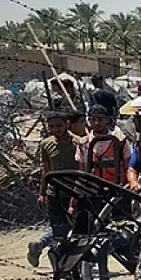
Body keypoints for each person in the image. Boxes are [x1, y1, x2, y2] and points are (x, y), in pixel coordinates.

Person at [78, 105, 133, 280]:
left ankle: (133, 267)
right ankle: (103, 275)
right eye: (92, 119)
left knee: (121, 232)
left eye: (99, 119)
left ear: (108, 120)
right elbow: (83, 168)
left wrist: (127, 188)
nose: (95, 123)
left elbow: (128, 163)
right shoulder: (85, 142)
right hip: (95, 192)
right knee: (97, 234)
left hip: (117, 191)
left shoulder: (119, 138)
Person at [26, 111, 80, 268]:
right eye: (52, 126)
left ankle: (45, 247)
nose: (56, 129)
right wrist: (42, 193)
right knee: (58, 232)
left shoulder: (78, 143)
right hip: (54, 194)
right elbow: (46, 170)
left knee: (74, 230)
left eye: (59, 126)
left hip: (73, 192)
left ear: (67, 125)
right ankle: (59, 268)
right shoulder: (46, 144)